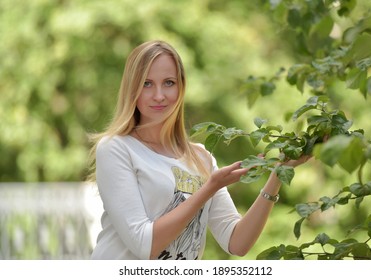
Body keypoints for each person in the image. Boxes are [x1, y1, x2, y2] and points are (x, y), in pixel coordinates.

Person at [88, 40, 310, 260]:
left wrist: (279, 173)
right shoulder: (116, 148)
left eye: (168, 82)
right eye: (146, 84)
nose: (159, 95)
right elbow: (145, 245)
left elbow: (237, 242)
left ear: (181, 87)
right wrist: (209, 187)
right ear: (132, 89)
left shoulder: (201, 158)